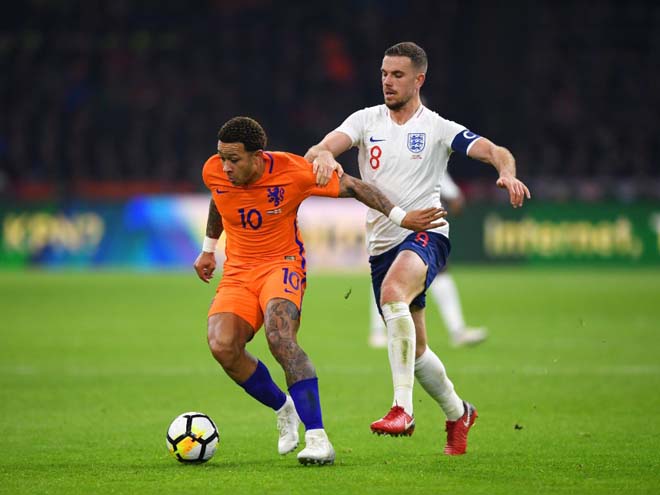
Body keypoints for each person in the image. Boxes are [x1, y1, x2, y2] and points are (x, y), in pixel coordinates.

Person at [305, 42, 530, 455]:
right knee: (418, 351)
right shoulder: (364, 120)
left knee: (393, 294)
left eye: (398, 75)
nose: (387, 82)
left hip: (427, 231)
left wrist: (507, 173)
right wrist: (323, 158)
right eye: (384, 74)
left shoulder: (438, 128)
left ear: (419, 79)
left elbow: (495, 151)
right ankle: (459, 412)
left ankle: (402, 409)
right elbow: (321, 148)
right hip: (382, 245)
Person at [193, 116, 445, 466]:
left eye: (233, 159)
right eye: (222, 158)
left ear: (257, 156)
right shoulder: (215, 171)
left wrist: (402, 218)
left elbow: (355, 187)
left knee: (280, 338)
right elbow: (218, 198)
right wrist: (208, 249)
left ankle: (317, 438)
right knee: (222, 346)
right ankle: (284, 408)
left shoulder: (293, 171)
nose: (225, 167)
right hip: (238, 272)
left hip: (282, 266)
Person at [369, 172, 487, 349]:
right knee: (385, 273)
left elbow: (437, 173)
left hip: (420, 220)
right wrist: (453, 194)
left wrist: (453, 194)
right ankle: (378, 331)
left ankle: (457, 330)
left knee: (439, 273)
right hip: (393, 220)